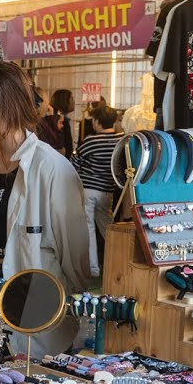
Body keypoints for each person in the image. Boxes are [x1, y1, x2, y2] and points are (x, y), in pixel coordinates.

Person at [0, 62, 89, 352]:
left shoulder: (51, 168)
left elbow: (76, 261)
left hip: (36, 307)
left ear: (8, 107)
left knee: (26, 375)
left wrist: (66, 310)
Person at [72, 105, 123, 277]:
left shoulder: (90, 141)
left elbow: (74, 164)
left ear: (97, 122)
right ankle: (118, 263)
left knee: (88, 229)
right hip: (108, 191)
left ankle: (93, 269)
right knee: (108, 229)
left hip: (87, 190)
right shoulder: (121, 140)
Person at [36, 89, 75, 159]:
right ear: (63, 100)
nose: (74, 102)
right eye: (71, 98)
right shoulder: (57, 118)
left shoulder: (54, 116)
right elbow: (63, 144)